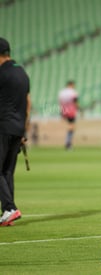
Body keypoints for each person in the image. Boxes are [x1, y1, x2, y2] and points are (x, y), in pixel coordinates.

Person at [0, 37, 31, 226]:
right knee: (7, 171)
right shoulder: (22, 72)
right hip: (18, 128)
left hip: (2, 127)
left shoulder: (1, 73)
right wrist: (24, 130)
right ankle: (7, 212)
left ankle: (10, 208)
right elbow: (28, 103)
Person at [58, 80, 79, 150]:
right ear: (71, 85)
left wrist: (61, 112)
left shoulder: (62, 92)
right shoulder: (73, 92)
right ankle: (68, 143)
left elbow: (60, 102)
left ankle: (68, 142)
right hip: (71, 111)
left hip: (64, 110)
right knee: (72, 126)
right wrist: (79, 109)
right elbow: (75, 101)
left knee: (70, 126)